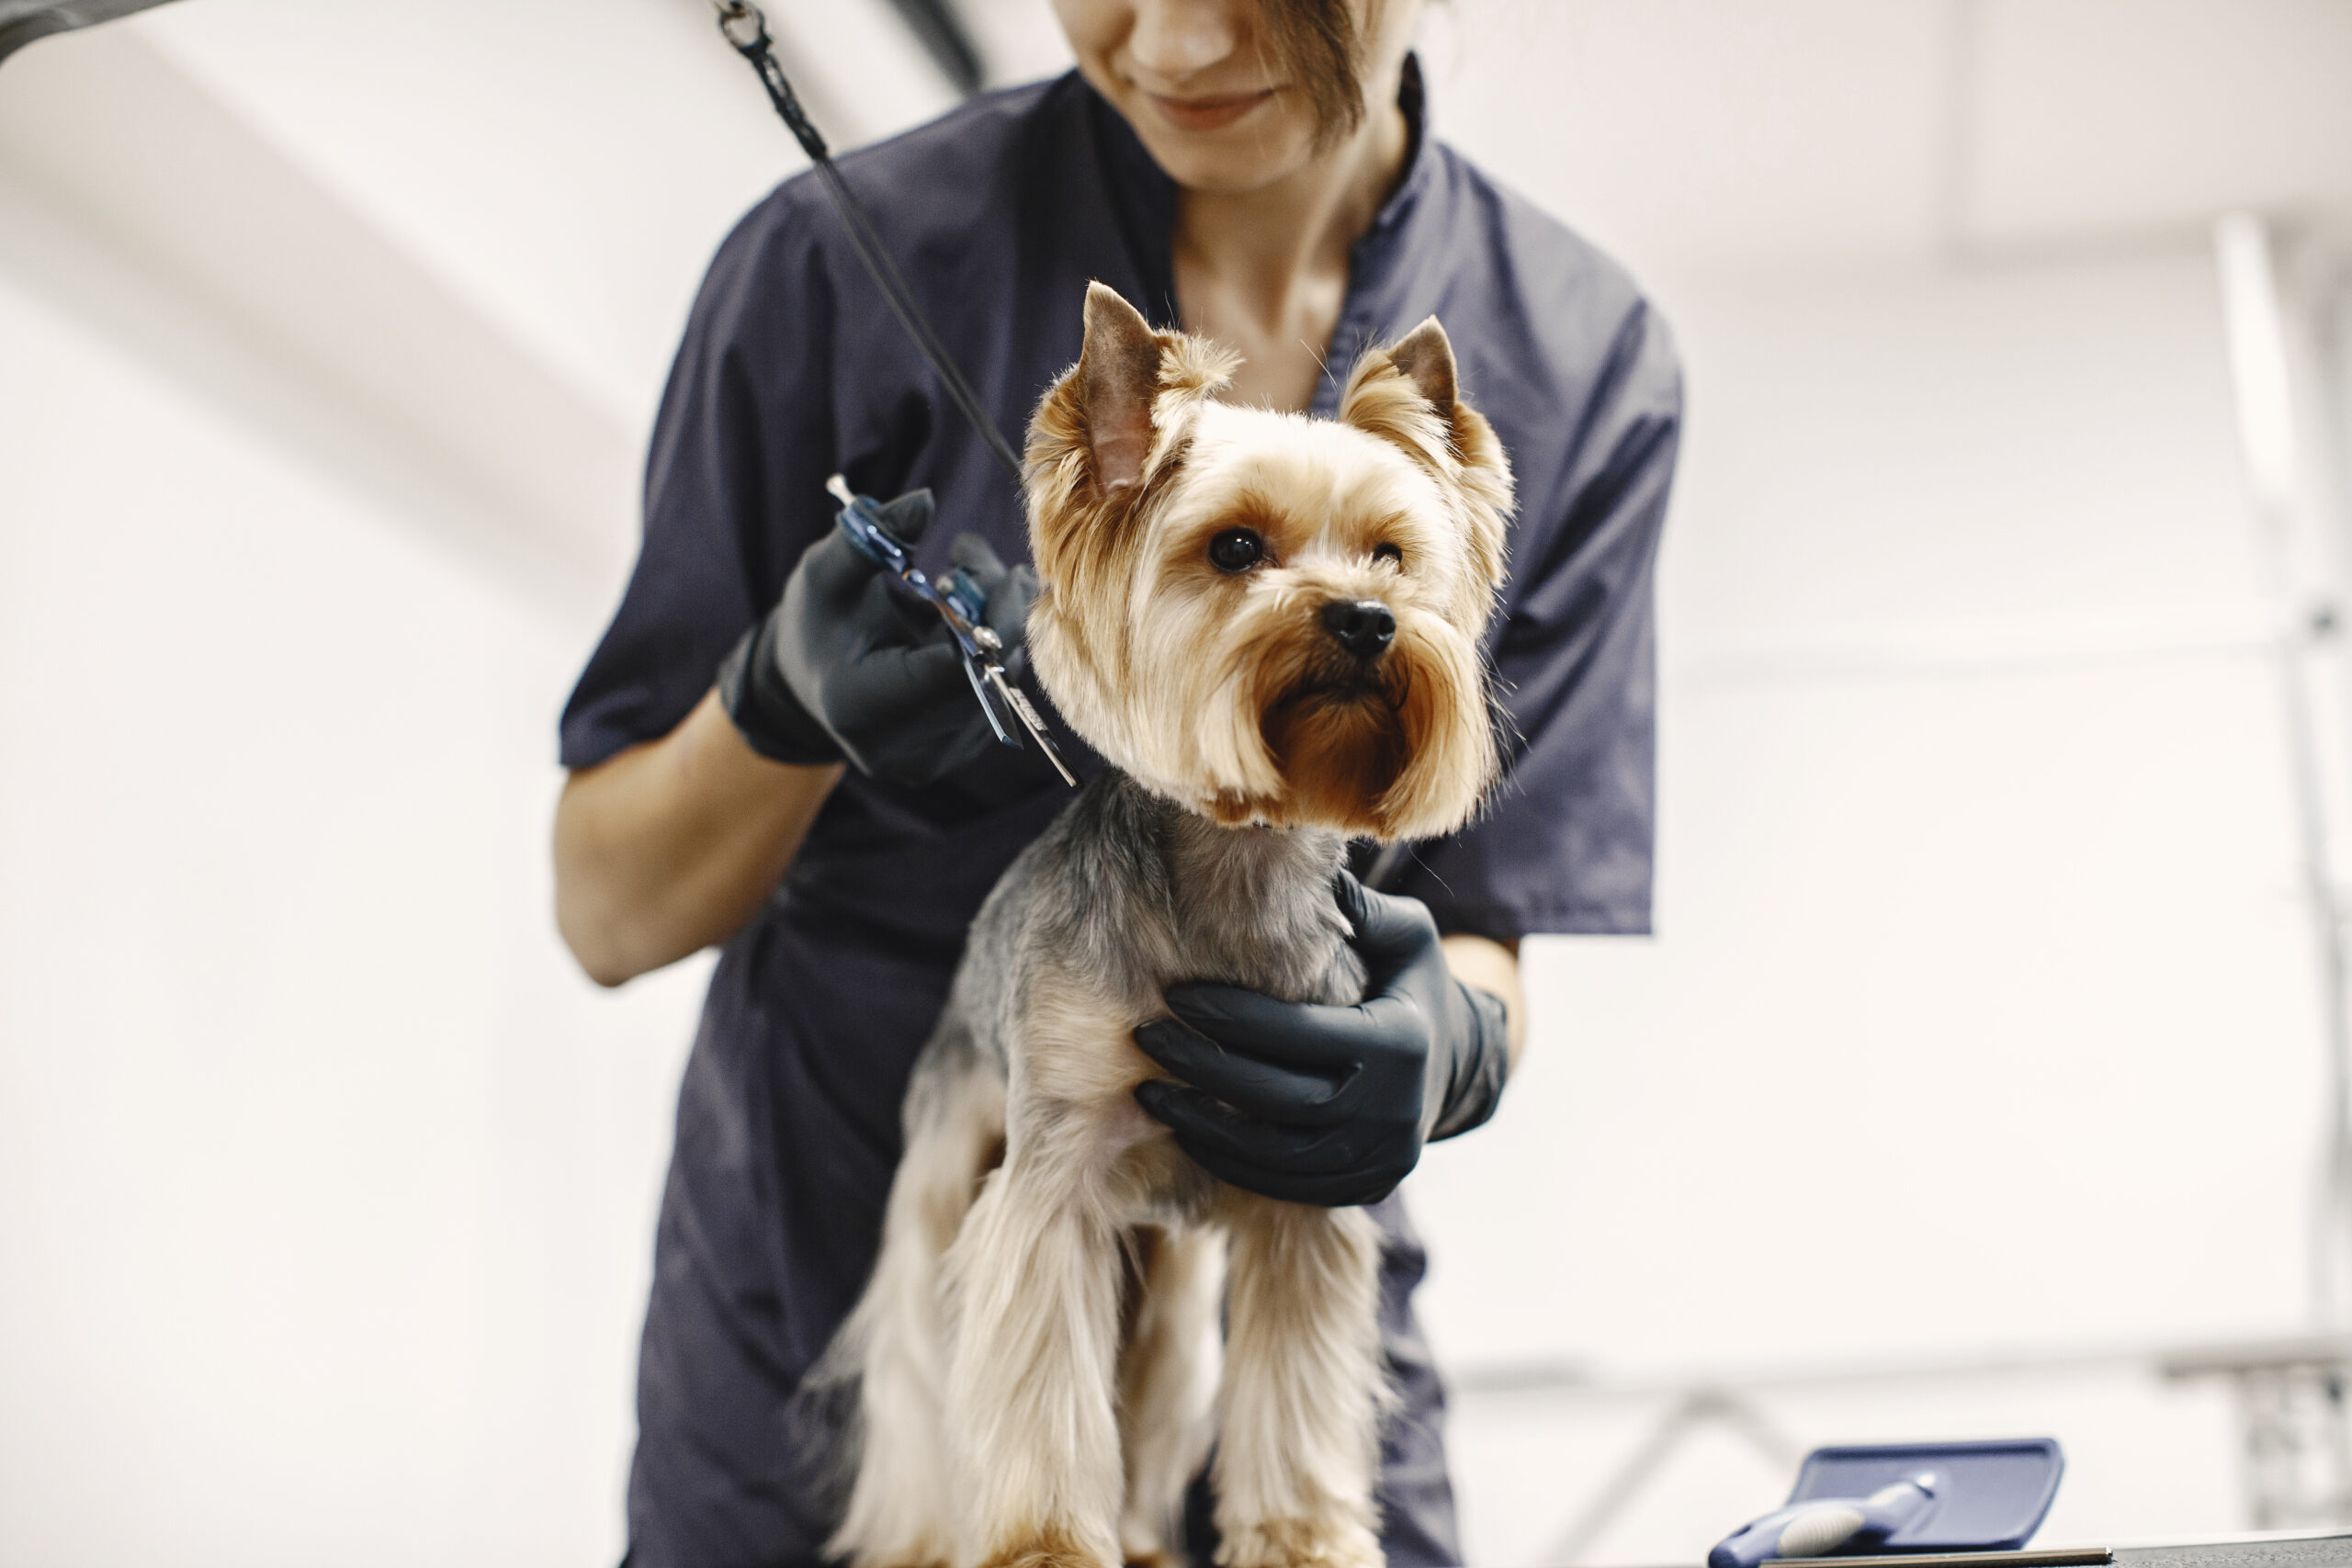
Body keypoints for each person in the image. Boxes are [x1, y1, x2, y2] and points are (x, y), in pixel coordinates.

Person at [551, 1, 1680, 1563]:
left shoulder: (1584, 354)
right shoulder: (838, 263)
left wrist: (1454, 1041)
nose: (1176, 38)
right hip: (829, 1269)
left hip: (1287, 1239)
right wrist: (777, 704)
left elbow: (1489, 916)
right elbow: (602, 908)